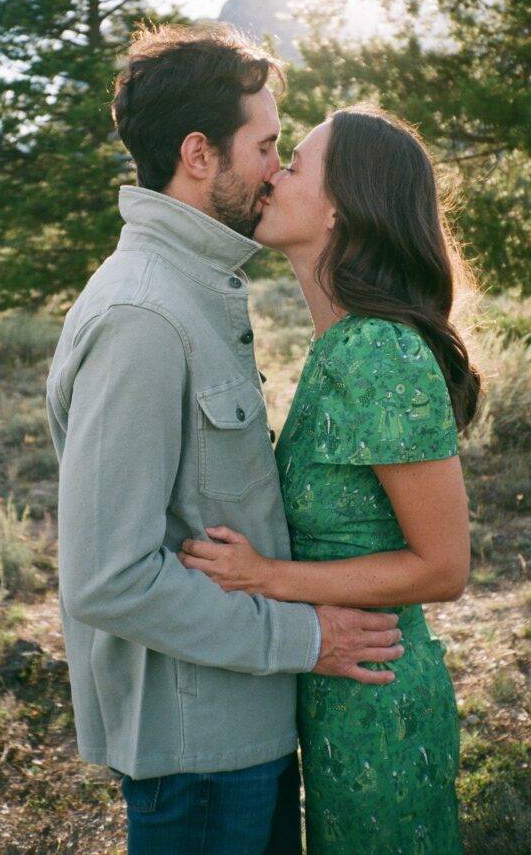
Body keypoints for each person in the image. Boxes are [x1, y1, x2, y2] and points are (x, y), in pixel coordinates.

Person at [46, 27, 404, 855]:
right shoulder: (143, 317)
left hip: (242, 730)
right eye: (267, 145)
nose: (278, 169)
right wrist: (306, 637)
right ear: (199, 154)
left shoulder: (197, 287)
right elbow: (105, 578)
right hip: (199, 755)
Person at [179, 106, 481, 853]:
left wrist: (265, 576)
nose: (274, 172)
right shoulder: (337, 346)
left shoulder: (377, 350)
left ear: (342, 204)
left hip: (379, 703)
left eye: (297, 162)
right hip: (332, 685)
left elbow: (444, 566)